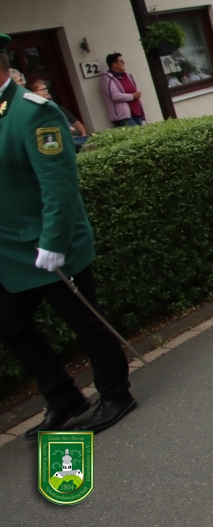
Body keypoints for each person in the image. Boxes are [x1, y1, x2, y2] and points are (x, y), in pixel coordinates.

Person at [0, 52, 137, 438]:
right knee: (8, 324)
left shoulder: (33, 112)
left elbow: (58, 182)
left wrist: (54, 239)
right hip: (8, 250)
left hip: (46, 244)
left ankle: (116, 394)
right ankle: (63, 397)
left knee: (86, 322)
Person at [26, 78, 88, 151]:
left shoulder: (54, 105)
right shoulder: (36, 110)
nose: (47, 91)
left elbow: (76, 122)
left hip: (74, 137)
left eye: (46, 88)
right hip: (61, 141)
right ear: (33, 93)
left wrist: (83, 133)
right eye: (43, 89)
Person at [100, 53, 145, 127]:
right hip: (123, 117)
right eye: (121, 61)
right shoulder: (108, 78)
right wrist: (133, 96)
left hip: (136, 113)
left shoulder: (128, 76)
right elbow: (115, 96)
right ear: (114, 64)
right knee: (135, 133)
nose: (124, 63)